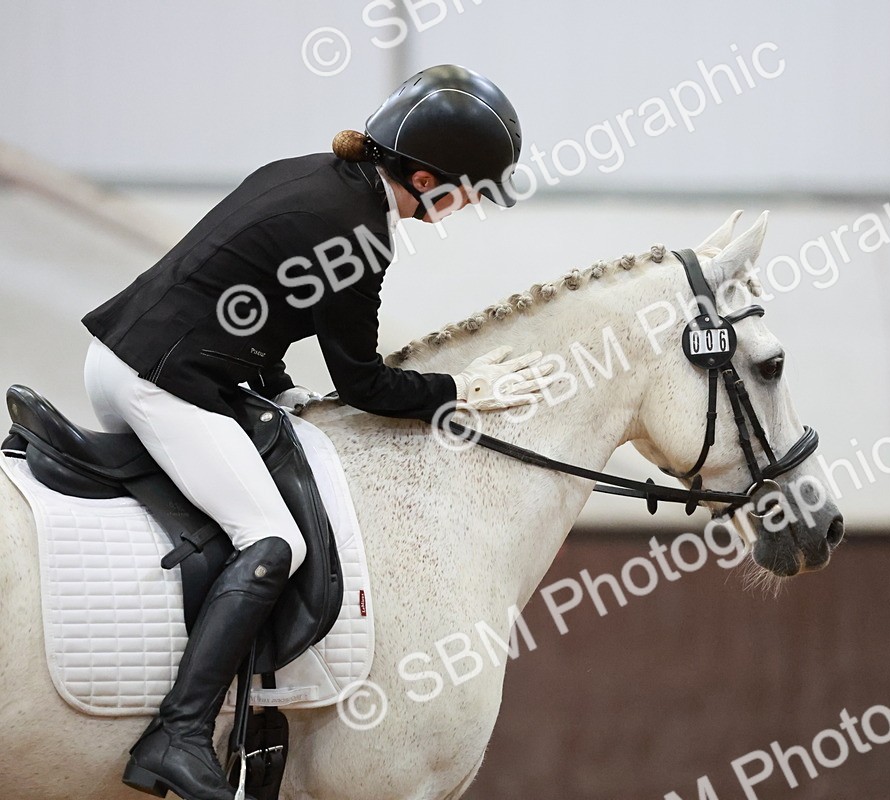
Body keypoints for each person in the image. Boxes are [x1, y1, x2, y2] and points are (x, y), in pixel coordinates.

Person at [81, 64, 546, 800]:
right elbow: (365, 384)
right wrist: (461, 389)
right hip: (157, 382)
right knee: (272, 541)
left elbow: (242, 303)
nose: (468, 208)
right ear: (427, 179)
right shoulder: (358, 233)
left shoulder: (311, 176)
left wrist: (280, 389)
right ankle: (178, 731)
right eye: (469, 192)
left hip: (137, 356)